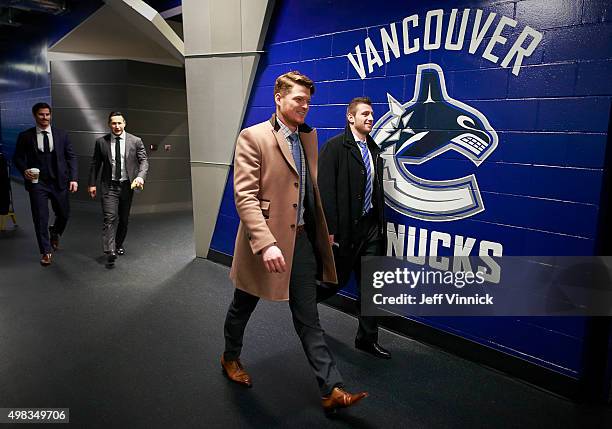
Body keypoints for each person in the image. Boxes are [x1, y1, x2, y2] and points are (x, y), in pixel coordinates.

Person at [222, 71, 368, 414]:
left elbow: (308, 193)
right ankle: (230, 357)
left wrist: (323, 229)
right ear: (279, 98)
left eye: (307, 100)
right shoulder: (253, 137)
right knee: (243, 305)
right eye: (298, 99)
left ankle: (331, 388)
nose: (305, 106)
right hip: (266, 242)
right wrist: (266, 242)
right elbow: (244, 198)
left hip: (300, 240)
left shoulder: (307, 138)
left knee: (308, 315)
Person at [318, 97, 391, 359]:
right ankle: (303, 306)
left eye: (372, 114)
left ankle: (367, 339)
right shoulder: (334, 148)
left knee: (372, 286)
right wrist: (330, 230)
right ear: (351, 118)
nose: (370, 118)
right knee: (332, 283)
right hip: (345, 231)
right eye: (365, 114)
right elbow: (325, 192)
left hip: (371, 228)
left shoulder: (374, 150)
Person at [13, 102, 78, 266]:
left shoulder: (62, 135)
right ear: (35, 115)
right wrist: (24, 170)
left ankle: (55, 232)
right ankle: (46, 251)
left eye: (47, 114)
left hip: (59, 182)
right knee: (40, 218)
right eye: (41, 114)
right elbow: (18, 157)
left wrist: (74, 178)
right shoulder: (26, 136)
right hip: (37, 183)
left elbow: (71, 157)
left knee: (64, 214)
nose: (45, 117)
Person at [88, 112, 148, 266]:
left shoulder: (135, 141)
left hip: (127, 186)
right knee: (109, 217)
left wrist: (140, 177)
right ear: (109, 124)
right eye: (113, 123)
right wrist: (92, 183)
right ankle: (110, 250)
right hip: (109, 186)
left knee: (124, 219)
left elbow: (144, 161)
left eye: (119, 123)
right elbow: (95, 164)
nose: (117, 126)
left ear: (124, 123)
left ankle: (118, 244)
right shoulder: (101, 142)